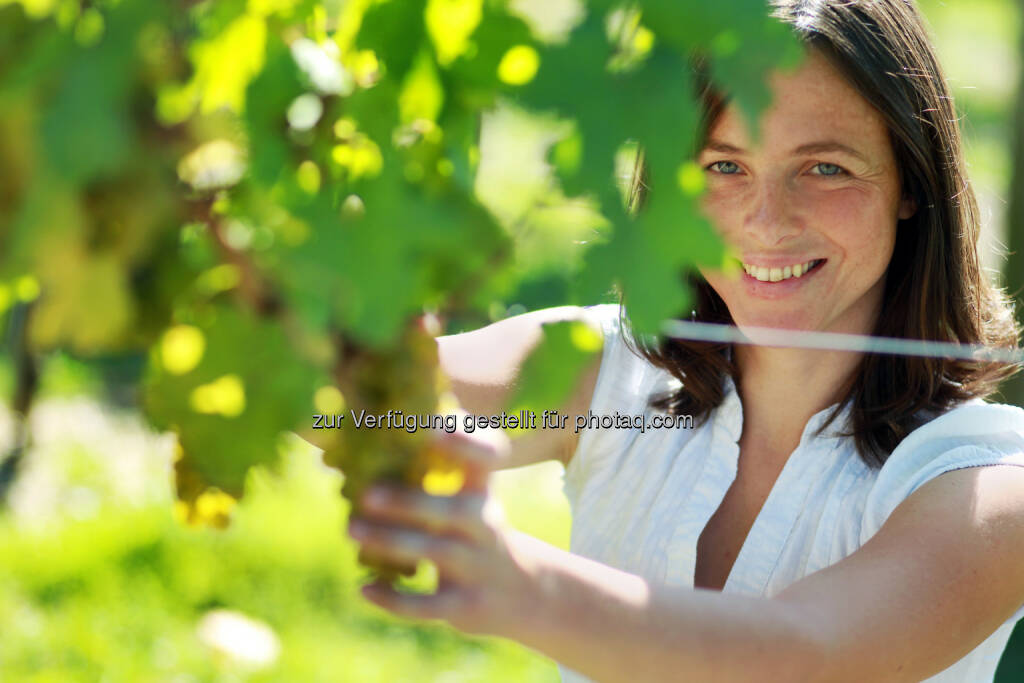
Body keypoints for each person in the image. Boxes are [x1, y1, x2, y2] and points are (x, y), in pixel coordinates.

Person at [344, 1, 1024, 680]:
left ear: (910, 181)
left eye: (825, 168)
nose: (767, 222)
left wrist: (516, 582)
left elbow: (806, 652)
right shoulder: (608, 372)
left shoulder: (989, 480)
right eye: (724, 167)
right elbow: (343, 403)